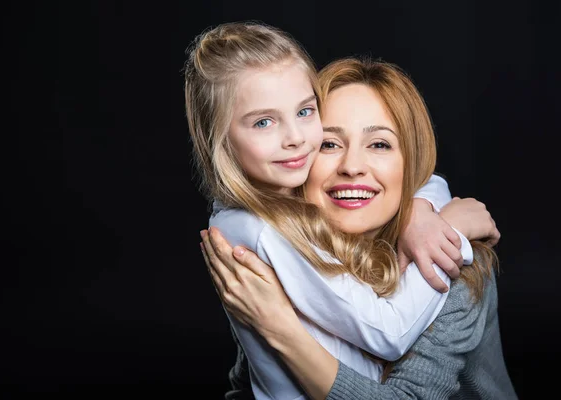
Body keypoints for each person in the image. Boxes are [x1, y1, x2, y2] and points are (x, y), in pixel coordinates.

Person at [185, 21, 498, 399]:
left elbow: (425, 178)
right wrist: (278, 330)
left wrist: (428, 212)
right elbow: (249, 379)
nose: (352, 166)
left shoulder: (455, 267)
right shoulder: (279, 230)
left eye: (380, 145)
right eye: (331, 144)